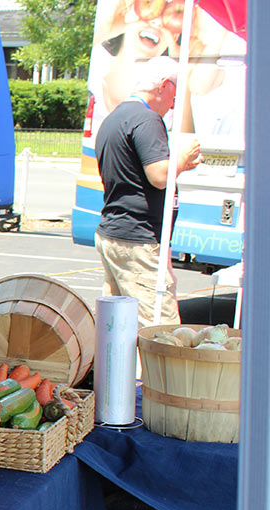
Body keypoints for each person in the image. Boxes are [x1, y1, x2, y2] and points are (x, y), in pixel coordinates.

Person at [94, 55, 202, 327]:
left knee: (117, 325)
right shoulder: (147, 120)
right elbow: (159, 175)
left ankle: (119, 371)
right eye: (175, 94)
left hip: (116, 232)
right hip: (138, 239)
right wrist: (182, 161)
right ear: (164, 85)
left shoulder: (115, 117)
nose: (174, 103)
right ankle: (150, 373)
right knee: (158, 327)